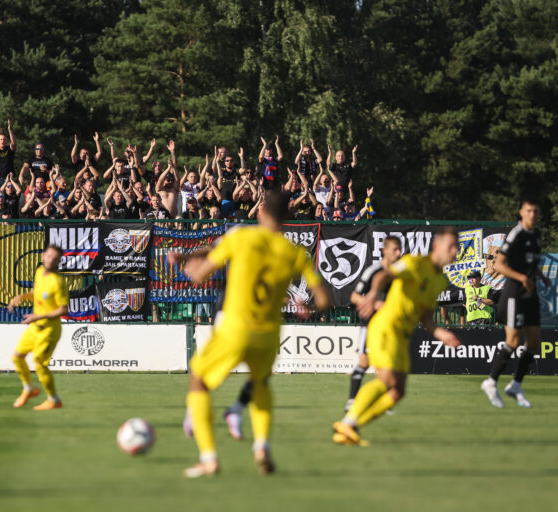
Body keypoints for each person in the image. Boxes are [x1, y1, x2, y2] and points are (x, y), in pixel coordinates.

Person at [168, 190, 330, 477]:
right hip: (268, 334)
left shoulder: (242, 237)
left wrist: (183, 261)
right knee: (260, 385)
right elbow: (323, 298)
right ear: (287, 219)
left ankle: (209, 459)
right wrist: (302, 305)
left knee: (199, 382)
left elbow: (199, 275)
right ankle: (261, 446)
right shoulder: (294, 253)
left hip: (236, 328)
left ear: (261, 212)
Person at [332, 227, 461, 446]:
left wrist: (440, 333)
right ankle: (348, 421)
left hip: (402, 337)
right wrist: (372, 295)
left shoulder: (439, 281)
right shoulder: (415, 263)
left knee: (398, 391)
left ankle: (350, 427)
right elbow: (384, 275)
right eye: (451, 246)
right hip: (385, 328)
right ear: (436, 247)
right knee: (386, 380)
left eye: (457, 247)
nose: (455, 251)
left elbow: (426, 317)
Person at [481, 198, 551, 408]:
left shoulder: (536, 235)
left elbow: (530, 262)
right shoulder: (517, 233)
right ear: (521, 212)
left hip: (530, 293)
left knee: (534, 341)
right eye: (528, 210)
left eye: (535, 211)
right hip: (514, 294)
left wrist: (541, 276)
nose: (532, 214)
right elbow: (500, 264)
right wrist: (521, 278)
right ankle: (491, 382)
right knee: (513, 341)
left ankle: (515, 385)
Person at [6, 245, 69, 410]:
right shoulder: (39, 272)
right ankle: (29, 388)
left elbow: (63, 309)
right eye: (49, 256)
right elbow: (37, 292)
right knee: (17, 357)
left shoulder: (58, 282)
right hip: (35, 326)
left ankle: (54, 400)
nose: (51, 260)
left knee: (39, 363)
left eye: (55, 259)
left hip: (49, 330)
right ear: (43, 256)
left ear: (59, 261)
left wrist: (37, 316)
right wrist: (21, 296)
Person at [344, 236, 402, 411]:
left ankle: (386, 401)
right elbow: (354, 296)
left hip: (389, 325)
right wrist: (374, 304)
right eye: (395, 249)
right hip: (370, 323)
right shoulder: (373, 270)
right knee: (364, 361)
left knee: (387, 363)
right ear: (385, 250)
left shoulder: (400, 273)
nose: (398, 253)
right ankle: (352, 401)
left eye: (400, 249)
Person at [0, 119, 17, 187]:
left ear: (6, 141)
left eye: (4, 140)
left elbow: (14, 143)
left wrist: (10, 130)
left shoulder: (9, 150)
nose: (2, 141)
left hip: (8, 179)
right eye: (1, 139)